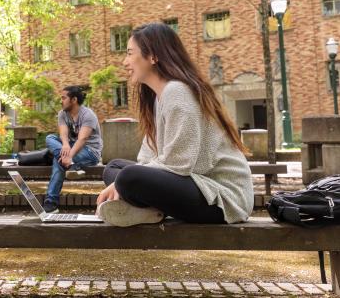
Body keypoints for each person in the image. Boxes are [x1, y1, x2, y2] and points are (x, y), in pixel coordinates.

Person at [96, 23, 254, 227]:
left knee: (127, 177)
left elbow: (179, 163)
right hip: (192, 182)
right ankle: (148, 211)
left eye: (129, 53)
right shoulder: (158, 97)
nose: (125, 62)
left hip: (222, 197)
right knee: (114, 167)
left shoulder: (177, 92)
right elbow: (148, 156)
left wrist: (124, 183)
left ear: (152, 56)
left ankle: (142, 208)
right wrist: (125, 181)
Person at [42, 86, 103, 213]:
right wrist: (65, 145)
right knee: (50, 138)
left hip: (90, 151)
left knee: (58, 161)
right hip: (71, 147)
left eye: (64, 98)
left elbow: (82, 139)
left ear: (74, 99)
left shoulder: (88, 115)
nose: (61, 101)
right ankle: (72, 165)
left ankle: (51, 202)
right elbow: (63, 133)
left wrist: (68, 156)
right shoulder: (62, 114)